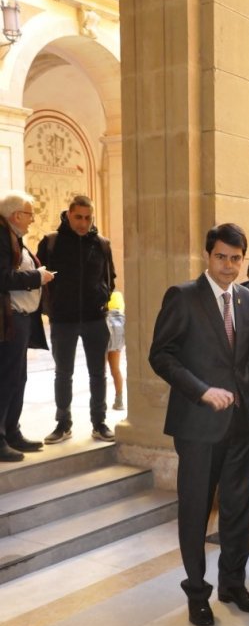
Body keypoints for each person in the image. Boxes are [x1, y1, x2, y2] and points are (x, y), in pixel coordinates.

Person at [149, 222, 249, 626]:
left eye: (236, 259)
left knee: (237, 509)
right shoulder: (183, 297)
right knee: (196, 510)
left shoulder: (248, 299)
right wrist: (201, 391)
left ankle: (233, 583)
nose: (229, 266)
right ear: (207, 255)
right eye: (221, 257)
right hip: (198, 424)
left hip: (242, 424)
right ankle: (198, 592)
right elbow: (161, 356)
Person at [37, 196, 116, 443]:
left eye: (88, 218)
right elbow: (39, 278)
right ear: (69, 215)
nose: (83, 223)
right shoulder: (51, 243)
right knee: (63, 373)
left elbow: (110, 276)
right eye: (78, 217)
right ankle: (63, 423)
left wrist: (103, 296)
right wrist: (52, 307)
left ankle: (99, 422)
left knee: (98, 373)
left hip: (95, 318)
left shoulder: (102, 244)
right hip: (63, 319)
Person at [0, 191, 55, 461]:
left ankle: (12, 431)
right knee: (7, 379)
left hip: (19, 319)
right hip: (8, 320)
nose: (33, 220)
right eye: (30, 214)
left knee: (17, 378)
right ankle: (1, 439)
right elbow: (3, 277)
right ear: (16, 215)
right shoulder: (1, 236)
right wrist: (36, 276)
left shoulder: (13, 236)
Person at [106, 289, 125, 410]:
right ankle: (119, 401)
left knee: (99, 371)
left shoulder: (100, 293)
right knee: (115, 369)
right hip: (117, 332)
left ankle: (100, 401)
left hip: (104, 327)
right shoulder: (118, 295)